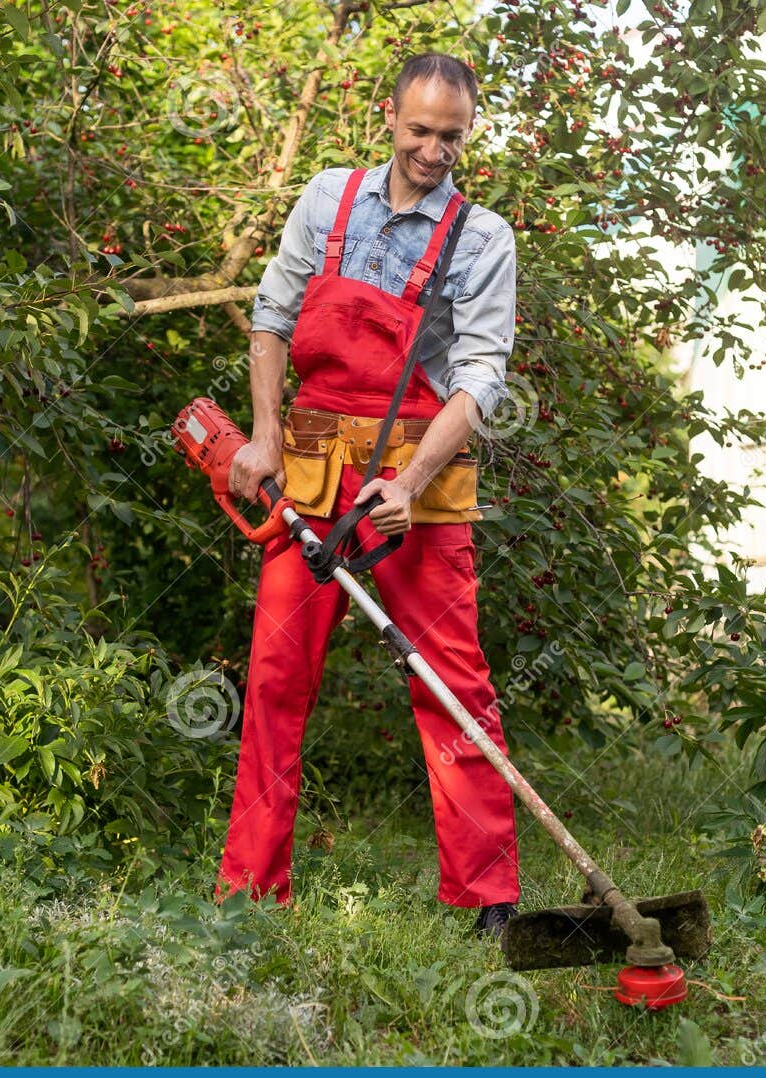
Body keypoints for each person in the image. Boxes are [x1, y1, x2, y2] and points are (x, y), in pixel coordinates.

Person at [215, 52, 520, 940]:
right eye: (419, 131)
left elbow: (479, 379)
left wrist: (412, 481)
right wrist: (266, 436)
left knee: (451, 680)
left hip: (414, 473)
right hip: (308, 470)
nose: (433, 151)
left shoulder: (482, 237)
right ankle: (251, 890)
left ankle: (485, 899)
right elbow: (272, 321)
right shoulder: (327, 200)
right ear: (388, 115)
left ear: (470, 130)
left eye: (452, 137)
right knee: (275, 677)